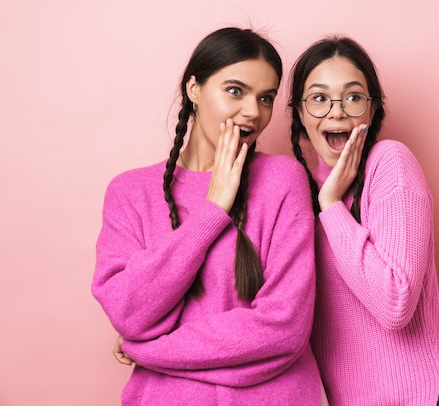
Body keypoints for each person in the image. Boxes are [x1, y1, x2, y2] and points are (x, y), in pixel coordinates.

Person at [92, 27, 325, 405]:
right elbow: (129, 313)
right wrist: (212, 211)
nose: (253, 112)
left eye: (265, 98)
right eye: (235, 90)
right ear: (194, 89)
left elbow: (283, 329)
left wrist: (146, 350)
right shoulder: (130, 193)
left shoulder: (282, 181)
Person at [288, 36, 439, 405]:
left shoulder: (390, 164)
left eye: (353, 97)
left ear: (371, 110)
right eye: (319, 99)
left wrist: (332, 206)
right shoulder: (298, 193)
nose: (336, 111)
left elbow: (395, 305)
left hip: (418, 398)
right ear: (300, 114)